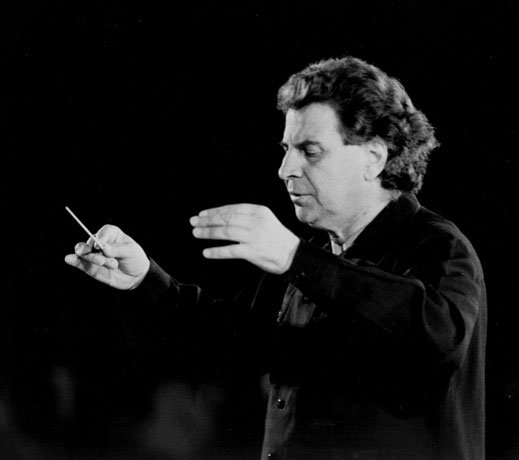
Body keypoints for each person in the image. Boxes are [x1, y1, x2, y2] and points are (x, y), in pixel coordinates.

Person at [65, 56, 486, 460]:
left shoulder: (438, 246)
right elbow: (232, 341)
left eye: (310, 151)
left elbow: (438, 338)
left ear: (373, 158)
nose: (285, 169)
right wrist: (145, 279)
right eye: (286, 149)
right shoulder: (314, 255)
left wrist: (294, 257)